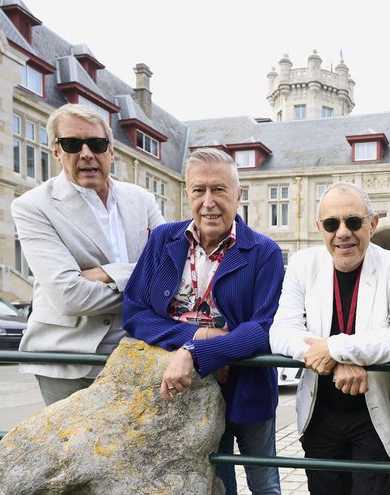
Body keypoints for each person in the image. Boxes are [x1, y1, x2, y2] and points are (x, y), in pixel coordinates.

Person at [122, 148, 284, 495]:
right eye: (199, 190)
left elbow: (263, 329)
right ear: (187, 194)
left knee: (264, 482)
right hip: (188, 391)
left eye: (219, 190)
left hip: (247, 387)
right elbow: (134, 312)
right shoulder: (163, 240)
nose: (209, 201)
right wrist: (199, 337)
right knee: (218, 484)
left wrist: (195, 353)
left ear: (238, 195)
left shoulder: (264, 251)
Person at [269, 182, 390, 495]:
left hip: (373, 414)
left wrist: (338, 349)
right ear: (319, 228)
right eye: (331, 224)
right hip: (319, 413)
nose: (343, 233)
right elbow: (281, 331)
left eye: (353, 222)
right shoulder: (302, 264)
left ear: (372, 223)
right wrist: (335, 363)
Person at [12, 103, 163, 406]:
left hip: (134, 354)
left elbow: (170, 272)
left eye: (96, 144)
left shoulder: (141, 200)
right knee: (70, 453)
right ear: (56, 151)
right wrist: (142, 282)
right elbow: (69, 297)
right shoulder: (32, 207)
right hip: (67, 359)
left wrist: (108, 273)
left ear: (111, 151)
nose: (86, 154)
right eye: (71, 144)